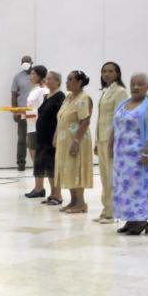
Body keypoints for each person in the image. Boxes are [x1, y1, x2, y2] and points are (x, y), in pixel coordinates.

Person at [111, 73, 148, 235]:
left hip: (139, 157)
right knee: (125, 189)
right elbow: (116, 125)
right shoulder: (124, 104)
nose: (135, 87)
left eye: (140, 84)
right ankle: (130, 219)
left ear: (147, 87)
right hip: (122, 158)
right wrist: (110, 143)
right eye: (133, 84)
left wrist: (146, 153)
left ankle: (141, 221)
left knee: (138, 188)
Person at [54, 70, 93, 213]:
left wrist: (76, 141)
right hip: (64, 140)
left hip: (77, 140)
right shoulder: (69, 97)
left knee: (76, 169)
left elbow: (85, 122)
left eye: (70, 79)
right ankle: (73, 201)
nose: (67, 82)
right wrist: (56, 136)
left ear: (79, 82)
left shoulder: (84, 98)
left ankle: (81, 203)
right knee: (68, 169)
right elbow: (62, 118)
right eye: (67, 79)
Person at [94, 62, 128, 223]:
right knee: (104, 177)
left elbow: (119, 118)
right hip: (101, 138)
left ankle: (114, 211)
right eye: (104, 71)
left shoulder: (120, 92)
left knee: (112, 177)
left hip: (111, 140)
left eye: (110, 71)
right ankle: (106, 210)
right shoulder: (106, 91)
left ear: (117, 73)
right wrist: (96, 141)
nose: (106, 74)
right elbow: (101, 118)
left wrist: (113, 142)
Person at [34, 71, 65, 205]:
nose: (47, 81)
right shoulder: (47, 95)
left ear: (57, 81)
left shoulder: (60, 96)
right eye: (46, 78)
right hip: (42, 137)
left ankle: (58, 195)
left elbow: (60, 118)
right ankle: (52, 193)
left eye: (50, 79)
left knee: (54, 167)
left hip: (51, 137)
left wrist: (56, 135)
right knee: (47, 167)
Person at [23, 65, 50, 198]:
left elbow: (43, 109)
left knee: (38, 159)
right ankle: (39, 187)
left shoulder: (43, 90)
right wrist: (23, 113)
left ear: (39, 75)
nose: (31, 76)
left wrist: (27, 112)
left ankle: (39, 188)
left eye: (33, 73)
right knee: (35, 159)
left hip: (37, 127)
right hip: (31, 126)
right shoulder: (35, 89)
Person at [11, 55, 34, 170]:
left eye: (27, 61)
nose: (25, 63)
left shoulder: (38, 77)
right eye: (23, 62)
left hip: (36, 113)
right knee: (21, 139)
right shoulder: (17, 77)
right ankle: (21, 163)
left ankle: (39, 163)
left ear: (31, 62)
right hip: (22, 112)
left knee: (37, 138)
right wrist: (14, 112)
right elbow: (14, 95)